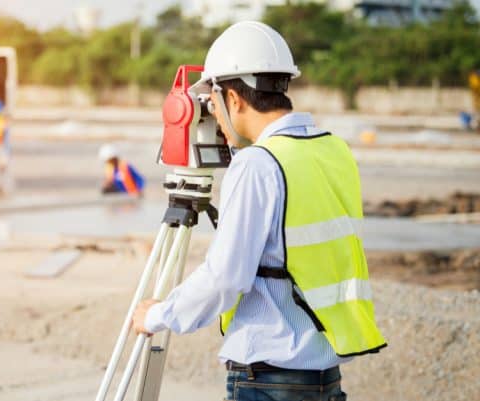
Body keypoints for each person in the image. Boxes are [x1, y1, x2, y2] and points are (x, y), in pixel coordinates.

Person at [130, 21, 386, 401]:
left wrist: (157, 315)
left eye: (213, 103)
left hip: (269, 380)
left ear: (233, 98)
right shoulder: (333, 150)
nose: (212, 115)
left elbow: (225, 279)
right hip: (324, 375)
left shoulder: (257, 166)